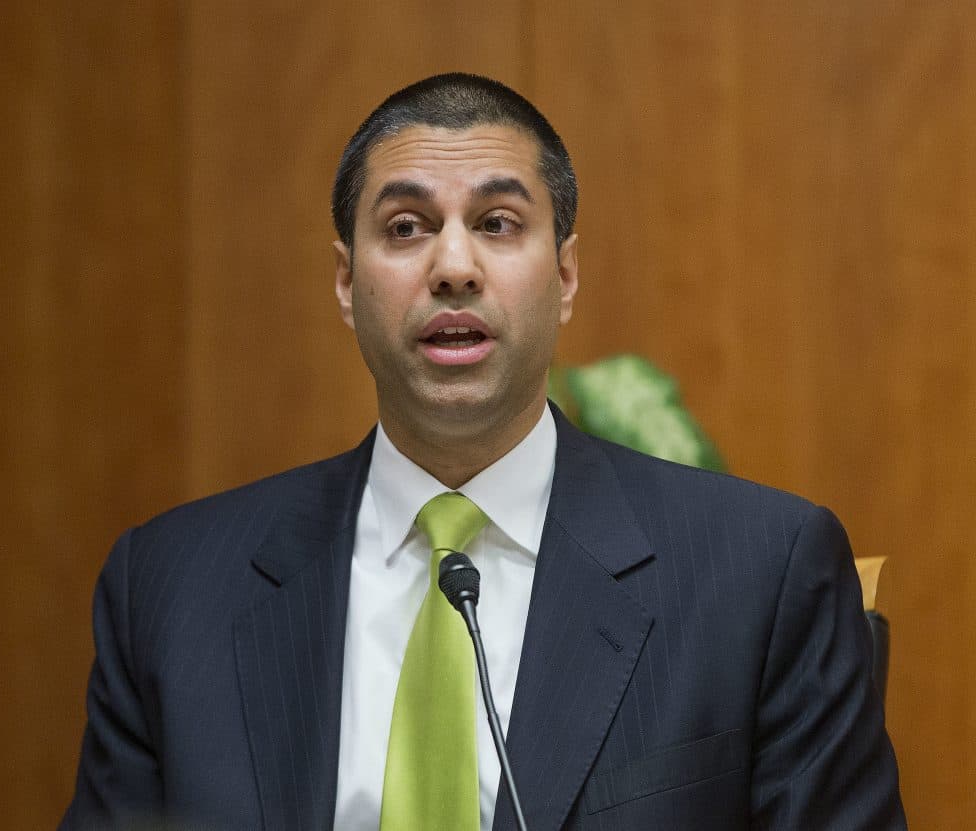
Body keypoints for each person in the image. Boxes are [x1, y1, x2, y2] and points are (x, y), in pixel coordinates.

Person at [61, 73, 906, 830]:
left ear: (565, 276)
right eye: (405, 227)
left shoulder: (760, 575)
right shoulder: (170, 591)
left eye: (499, 224)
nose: (454, 265)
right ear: (347, 285)